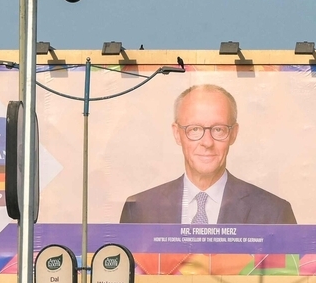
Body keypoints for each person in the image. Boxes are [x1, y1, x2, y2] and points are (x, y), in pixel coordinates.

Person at [120, 84, 295, 225]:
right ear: (177, 134)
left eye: (218, 129)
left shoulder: (275, 213)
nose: (207, 142)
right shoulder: (139, 210)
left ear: (233, 133)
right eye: (195, 129)